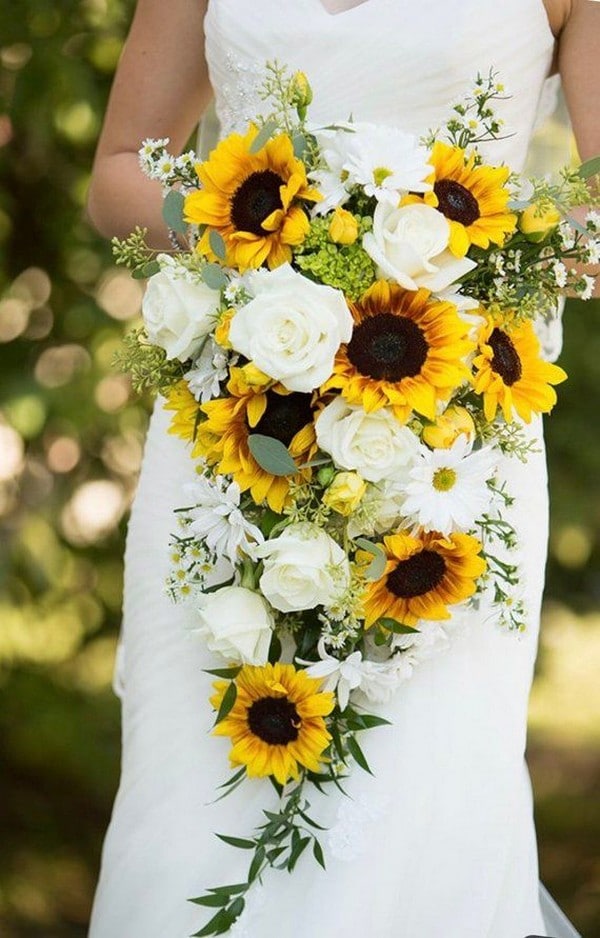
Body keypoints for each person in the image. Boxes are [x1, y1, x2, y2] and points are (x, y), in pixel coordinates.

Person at [86, 1, 599, 935]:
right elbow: (120, 170)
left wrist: (436, 283)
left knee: (423, 791)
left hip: (450, 450)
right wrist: (265, 265)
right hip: (231, 432)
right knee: (197, 790)